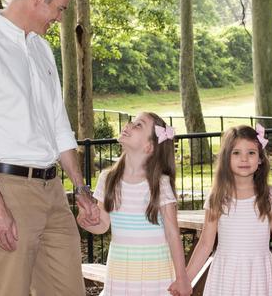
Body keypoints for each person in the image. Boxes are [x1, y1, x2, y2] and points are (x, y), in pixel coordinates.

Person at [0, 0, 100, 295]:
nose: (60, 18)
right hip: (7, 189)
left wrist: (80, 190)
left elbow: (59, 125)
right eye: (60, 8)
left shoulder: (40, 48)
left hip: (52, 192)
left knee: (69, 290)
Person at [78, 112, 192, 296]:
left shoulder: (159, 184)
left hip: (155, 277)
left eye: (139, 125)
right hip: (120, 274)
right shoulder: (107, 179)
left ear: (149, 146)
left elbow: (172, 233)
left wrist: (182, 277)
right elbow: (103, 225)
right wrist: (88, 221)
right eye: (132, 122)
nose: (129, 125)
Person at [185, 125, 272, 296]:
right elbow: (206, 244)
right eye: (236, 153)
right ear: (226, 158)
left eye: (251, 153)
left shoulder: (268, 195)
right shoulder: (218, 196)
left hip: (258, 277)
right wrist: (185, 281)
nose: (244, 159)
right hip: (225, 275)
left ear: (260, 159)